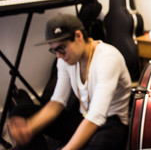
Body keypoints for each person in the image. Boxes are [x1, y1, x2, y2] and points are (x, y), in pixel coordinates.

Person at [7, 13, 132, 150]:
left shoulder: (108, 58)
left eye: (61, 48)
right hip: (84, 117)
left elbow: (96, 116)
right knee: (21, 112)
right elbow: (57, 102)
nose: (59, 56)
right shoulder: (64, 59)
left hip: (110, 122)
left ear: (78, 36)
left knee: (101, 143)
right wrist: (30, 127)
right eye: (54, 51)